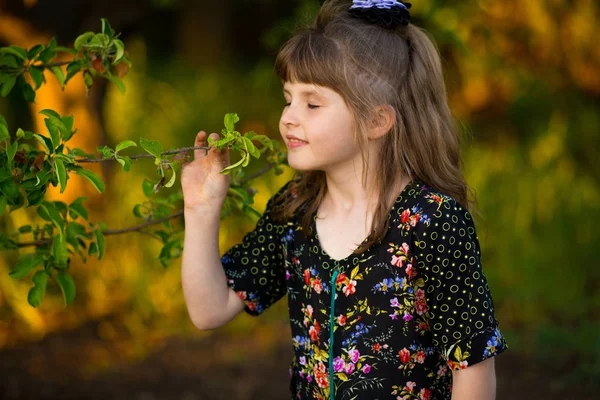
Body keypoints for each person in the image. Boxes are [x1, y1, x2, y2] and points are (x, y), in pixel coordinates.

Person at [180, 1, 508, 399]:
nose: (288, 117)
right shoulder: (295, 210)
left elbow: (472, 368)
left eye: (312, 104)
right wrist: (200, 209)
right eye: (288, 98)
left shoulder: (433, 222)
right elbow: (210, 310)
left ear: (376, 121)